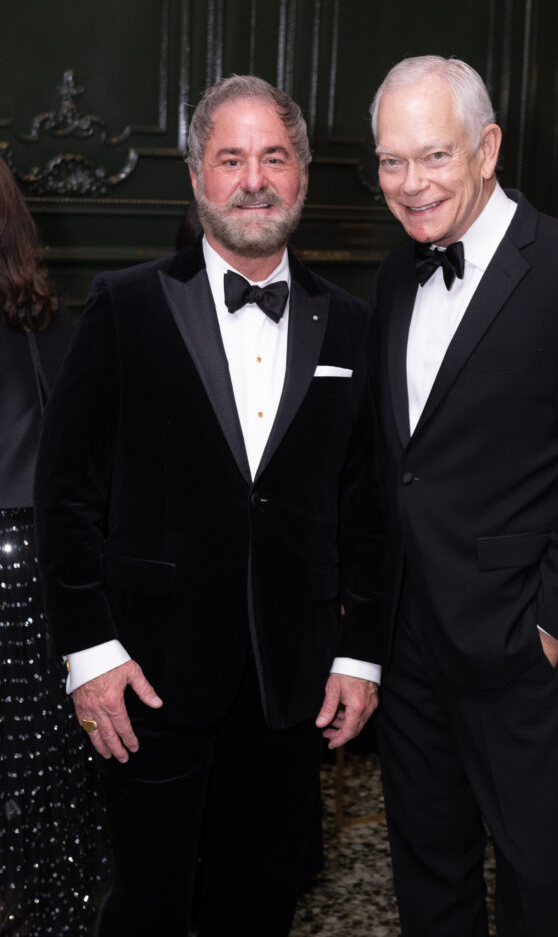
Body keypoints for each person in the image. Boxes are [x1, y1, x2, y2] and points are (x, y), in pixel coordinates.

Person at [33, 75, 388, 937]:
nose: (253, 179)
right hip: (147, 676)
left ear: (302, 174)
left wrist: (359, 658)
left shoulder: (351, 326)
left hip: (288, 683)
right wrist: (89, 651)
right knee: (147, 903)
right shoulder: (123, 305)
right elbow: (64, 492)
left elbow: (368, 506)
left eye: (273, 157)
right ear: (197, 176)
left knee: (259, 903)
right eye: (230, 159)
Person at [369, 55, 558, 937]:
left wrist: (551, 630)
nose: (411, 185)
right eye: (390, 162)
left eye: (434, 156)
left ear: (486, 149)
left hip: (521, 647)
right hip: (412, 644)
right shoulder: (397, 270)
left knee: (538, 879)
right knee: (427, 867)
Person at [0, 158, 108, 935]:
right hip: (34, 582)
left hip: (25, 591)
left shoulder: (58, 333)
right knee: (42, 805)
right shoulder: (54, 327)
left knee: (39, 800)